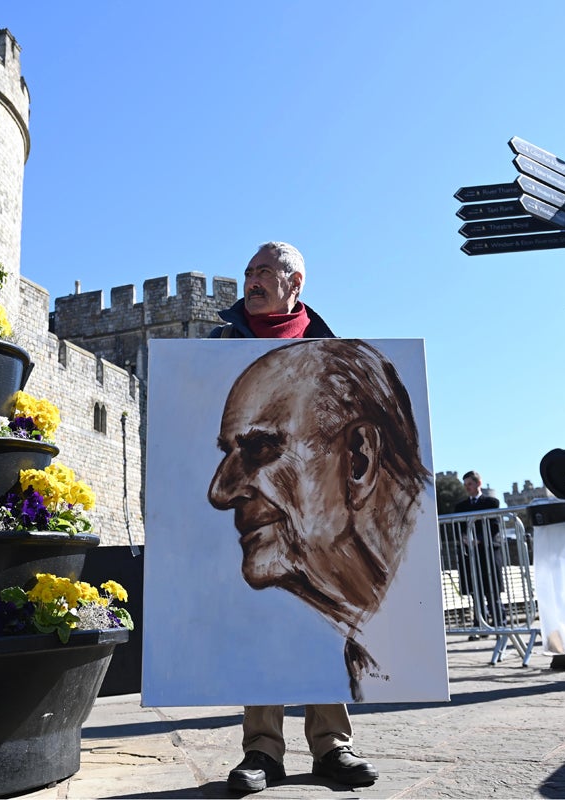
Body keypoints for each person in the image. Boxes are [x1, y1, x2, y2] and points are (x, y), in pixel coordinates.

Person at [205, 242, 382, 793]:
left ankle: (333, 744)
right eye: (248, 272)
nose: (251, 281)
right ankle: (262, 749)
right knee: (260, 617)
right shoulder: (218, 345)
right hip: (246, 529)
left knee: (319, 615)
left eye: (264, 272)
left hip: (315, 520)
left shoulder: (330, 348)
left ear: (294, 282)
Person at [452, 470, 504, 637]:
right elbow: (457, 527)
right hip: (471, 554)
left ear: (478, 483)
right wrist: (464, 538)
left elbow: (495, 525)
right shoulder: (460, 507)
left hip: (488, 552)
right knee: (476, 592)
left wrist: (480, 540)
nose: (467, 487)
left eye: (470, 484)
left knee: (492, 590)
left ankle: (498, 624)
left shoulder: (491, 502)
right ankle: (480, 624)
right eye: (465, 484)